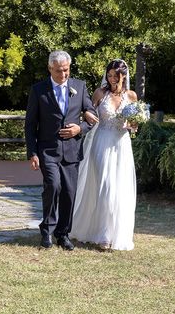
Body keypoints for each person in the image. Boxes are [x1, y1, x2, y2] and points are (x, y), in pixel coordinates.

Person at [25, 50, 96, 250]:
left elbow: (92, 114)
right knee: (53, 186)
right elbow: (30, 125)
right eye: (58, 71)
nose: (63, 75)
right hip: (48, 150)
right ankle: (46, 231)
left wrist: (79, 128)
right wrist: (32, 152)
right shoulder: (38, 90)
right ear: (50, 69)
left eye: (66, 70)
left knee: (69, 192)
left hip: (72, 150)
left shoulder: (79, 87)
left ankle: (63, 234)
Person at [71, 59, 138, 251]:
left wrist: (133, 125)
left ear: (123, 76)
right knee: (104, 186)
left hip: (122, 145)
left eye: (115, 76)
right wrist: (87, 116)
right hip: (101, 142)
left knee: (119, 189)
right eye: (109, 76)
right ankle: (103, 235)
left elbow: (135, 124)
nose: (111, 79)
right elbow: (87, 113)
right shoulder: (100, 93)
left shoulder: (131, 96)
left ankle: (115, 233)